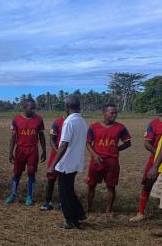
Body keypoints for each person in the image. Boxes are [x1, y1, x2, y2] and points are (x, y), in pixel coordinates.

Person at [47, 95, 87, 229]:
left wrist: (53, 164)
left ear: (67, 107)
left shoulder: (69, 122)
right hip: (76, 162)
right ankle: (79, 214)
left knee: (64, 193)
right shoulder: (82, 121)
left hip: (66, 163)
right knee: (69, 190)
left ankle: (70, 220)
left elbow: (63, 145)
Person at [86, 104, 131, 216]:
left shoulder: (120, 127)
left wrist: (115, 149)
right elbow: (88, 143)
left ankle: (108, 210)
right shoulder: (93, 127)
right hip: (96, 161)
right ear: (104, 112)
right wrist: (95, 155)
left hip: (112, 162)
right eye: (112, 113)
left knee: (111, 186)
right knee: (91, 184)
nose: (114, 115)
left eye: (116, 113)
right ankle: (88, 208)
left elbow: (127, 143)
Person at [6, 99, 46, 206]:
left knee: (31, 173)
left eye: (34, 108)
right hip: (20, 150)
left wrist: (44, 150)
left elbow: (41, 136)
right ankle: (12, 194)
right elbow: (13, 137)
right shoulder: (16, 120)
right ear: (24, 107)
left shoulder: (39, 119)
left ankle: (29, 196)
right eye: (31, 108)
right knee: (17, 173)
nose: (33, 110)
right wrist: (10, 152)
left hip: (33, 150)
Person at [130, 112, 162, 222]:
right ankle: (141, 213)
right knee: (148, 185)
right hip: (155, 161)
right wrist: (157, 154)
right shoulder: (153, 124)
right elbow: (147, 143)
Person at [40, 115, 65, 211]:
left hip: (67, 158)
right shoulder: (58, 122)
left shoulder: (74, 123)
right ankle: (48, 202)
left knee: (63, 181)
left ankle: (62, 203)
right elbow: (51, 139)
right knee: (51, 180)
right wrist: (58, 151)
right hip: (55, 156)